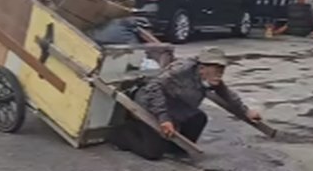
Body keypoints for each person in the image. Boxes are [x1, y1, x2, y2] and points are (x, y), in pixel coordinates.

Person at [111, 47, 262, 161]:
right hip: (150, 103)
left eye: (222, 69)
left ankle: (175, 148)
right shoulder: (182, 70)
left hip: (174, 104)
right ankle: (122, 134)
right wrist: (164, 119)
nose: (220, 73)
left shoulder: (209, 77)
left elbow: (226, 93)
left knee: (199, 117)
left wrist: (246, 111)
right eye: (216, 69)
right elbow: (153, 88)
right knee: (152, 153)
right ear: (202, 68)